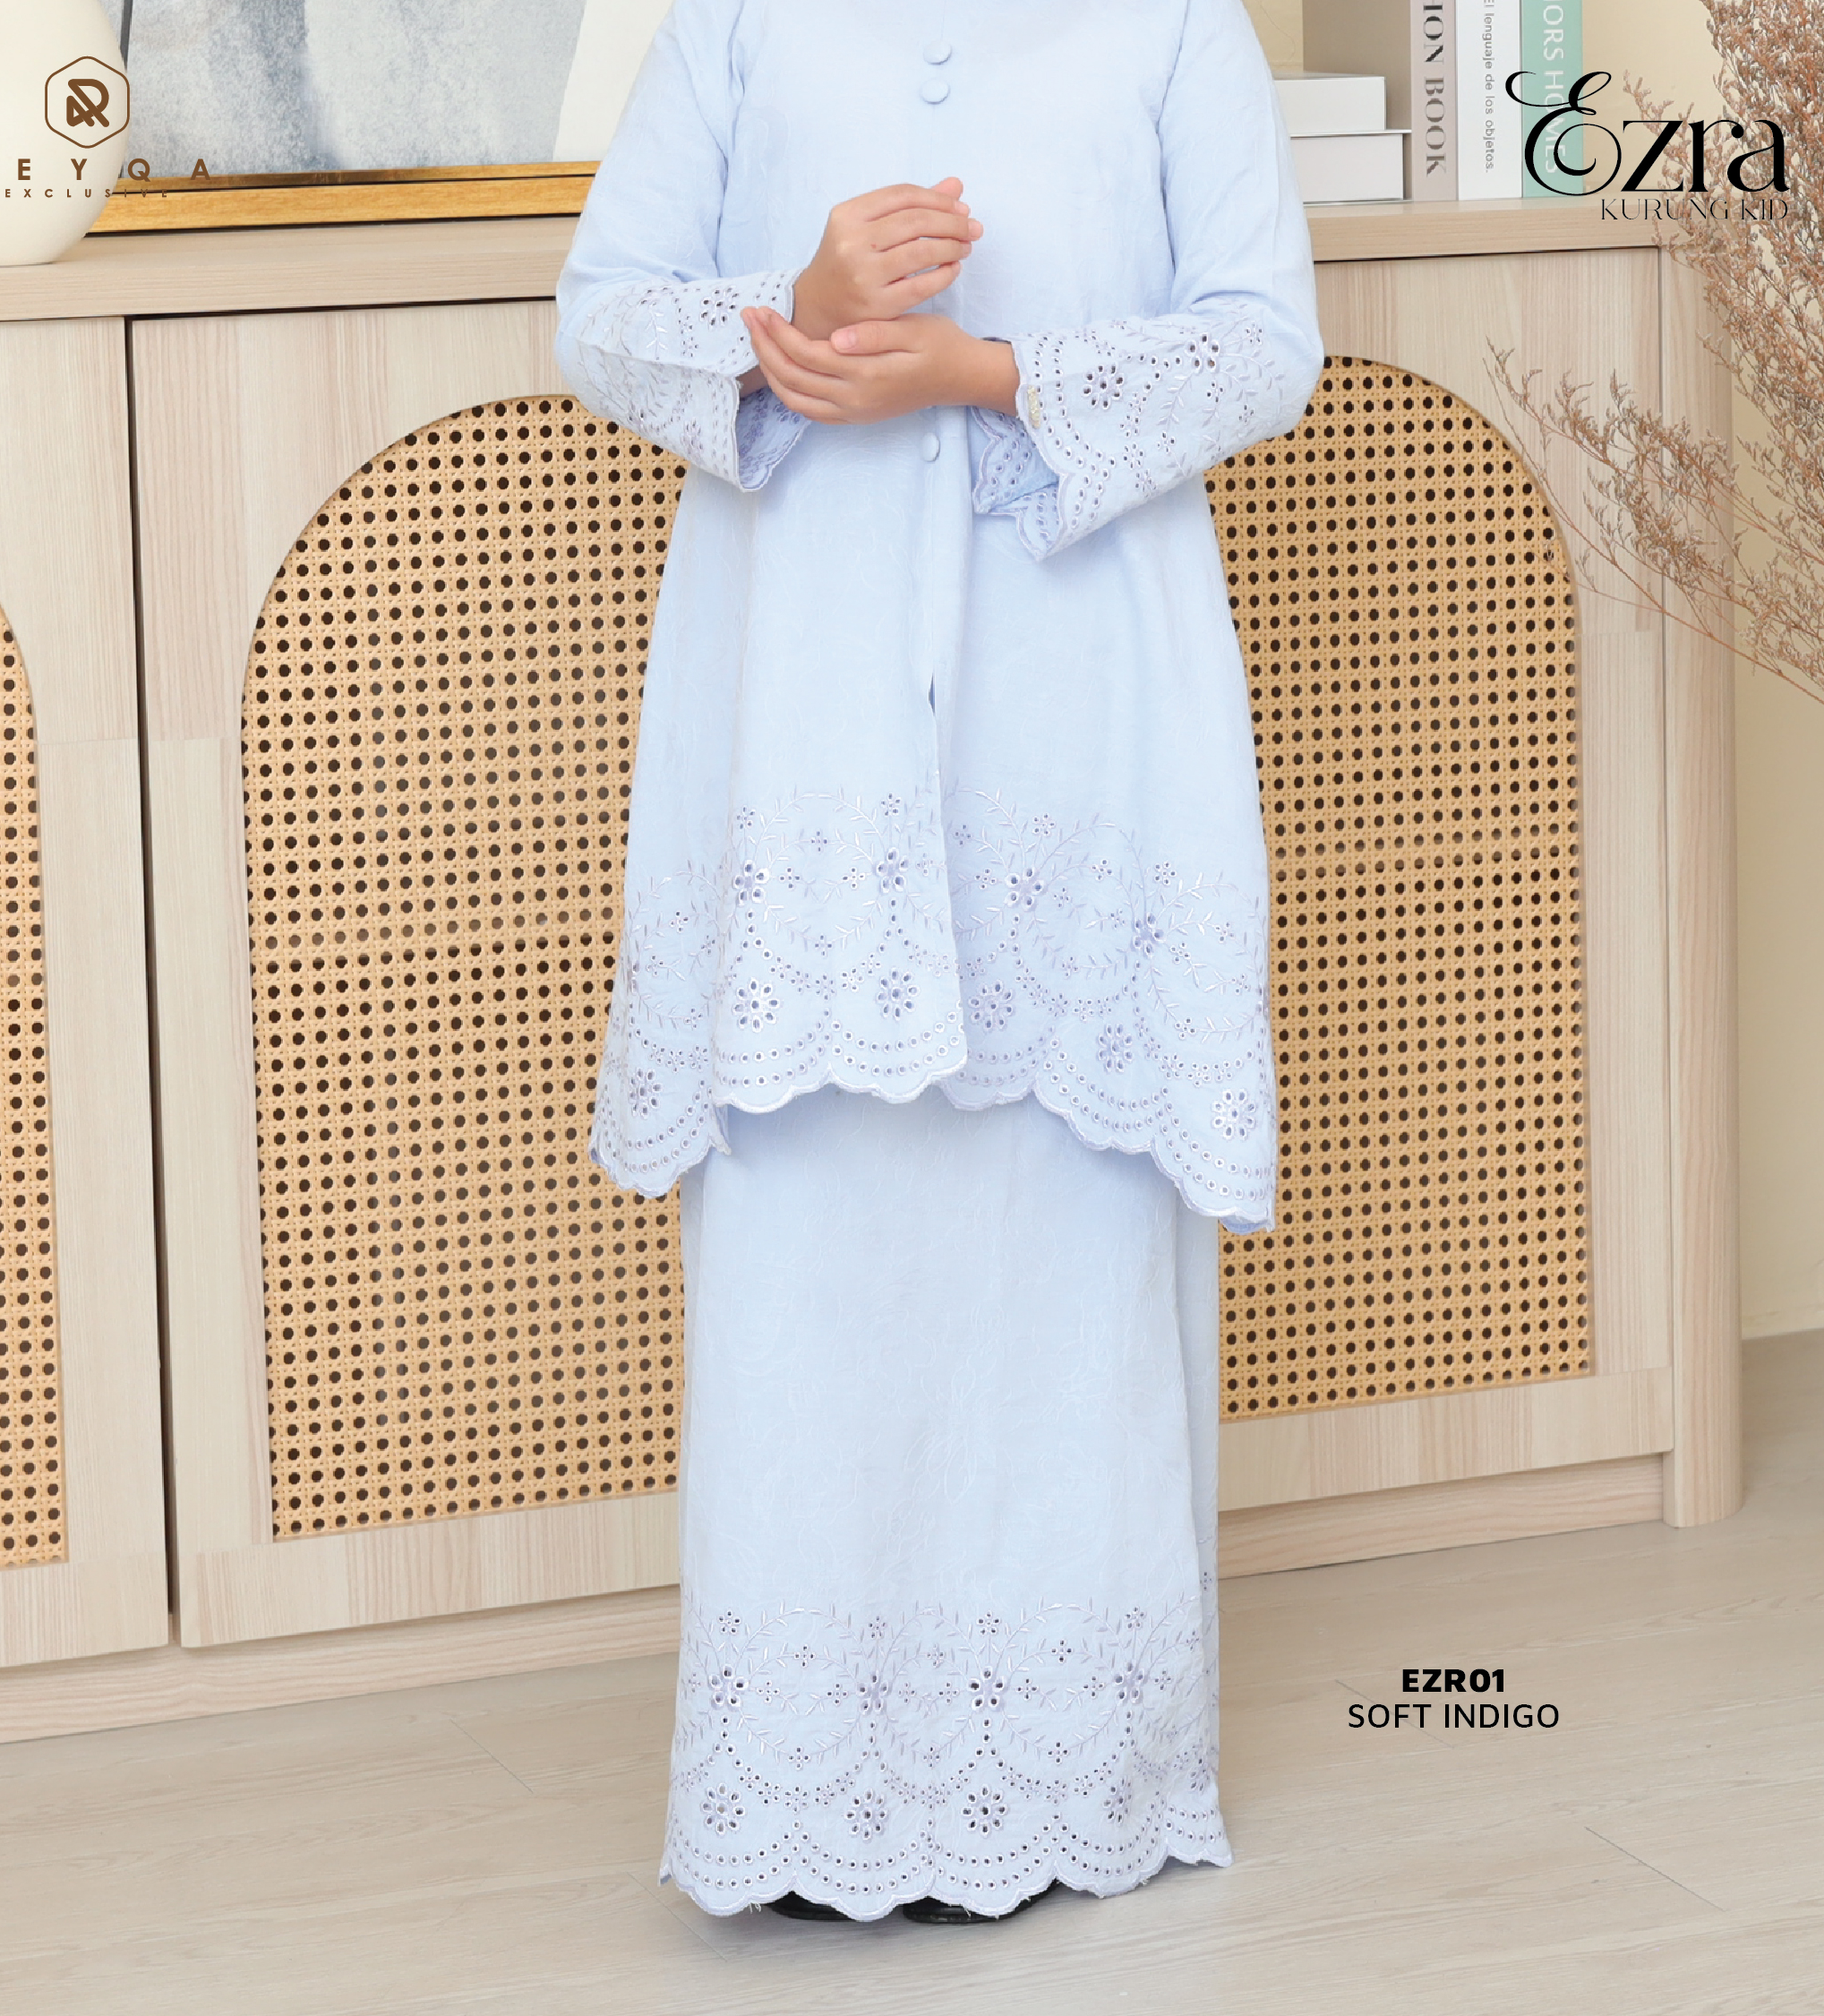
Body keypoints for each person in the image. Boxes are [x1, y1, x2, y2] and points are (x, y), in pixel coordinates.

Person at [554, 0, 1323, 1926]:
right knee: (806, 1250)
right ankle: (805, 1800)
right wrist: (794, 313)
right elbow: (600, 312)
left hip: (1083, 726)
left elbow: (1263, 340)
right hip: (803, 727)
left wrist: (986, 371)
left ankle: (1077, 1778)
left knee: (1069, 1236)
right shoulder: (735, 21)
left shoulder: (1175, 28)